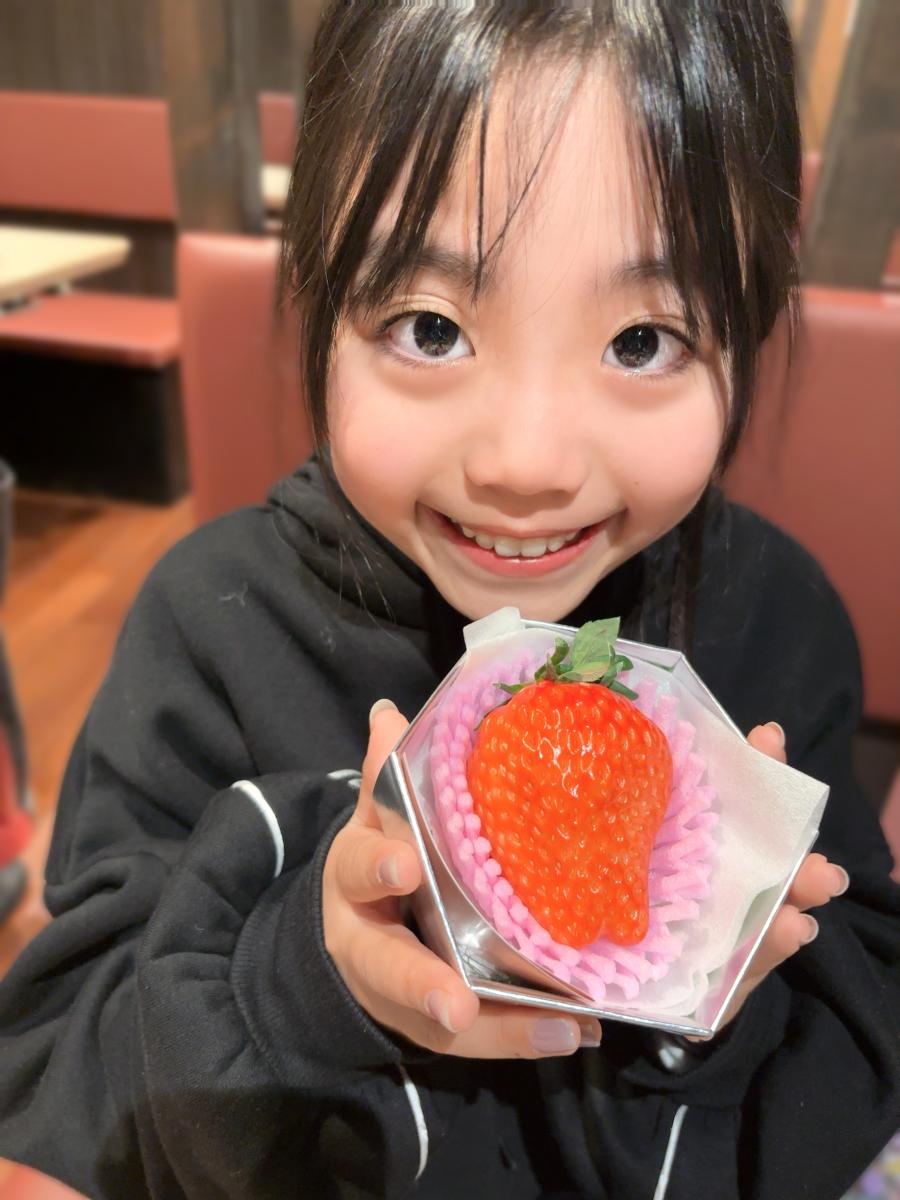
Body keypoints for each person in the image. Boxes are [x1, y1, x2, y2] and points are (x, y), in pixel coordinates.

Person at [1, 3, 898, 1197]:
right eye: (431, 328)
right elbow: (59, 1080)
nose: (527, 463)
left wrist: (713, 1006)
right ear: (321, 306)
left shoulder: (775, 624)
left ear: (745, 332)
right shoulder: (210, 630)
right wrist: (303, 984)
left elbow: (865, 1009)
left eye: (642, 341)